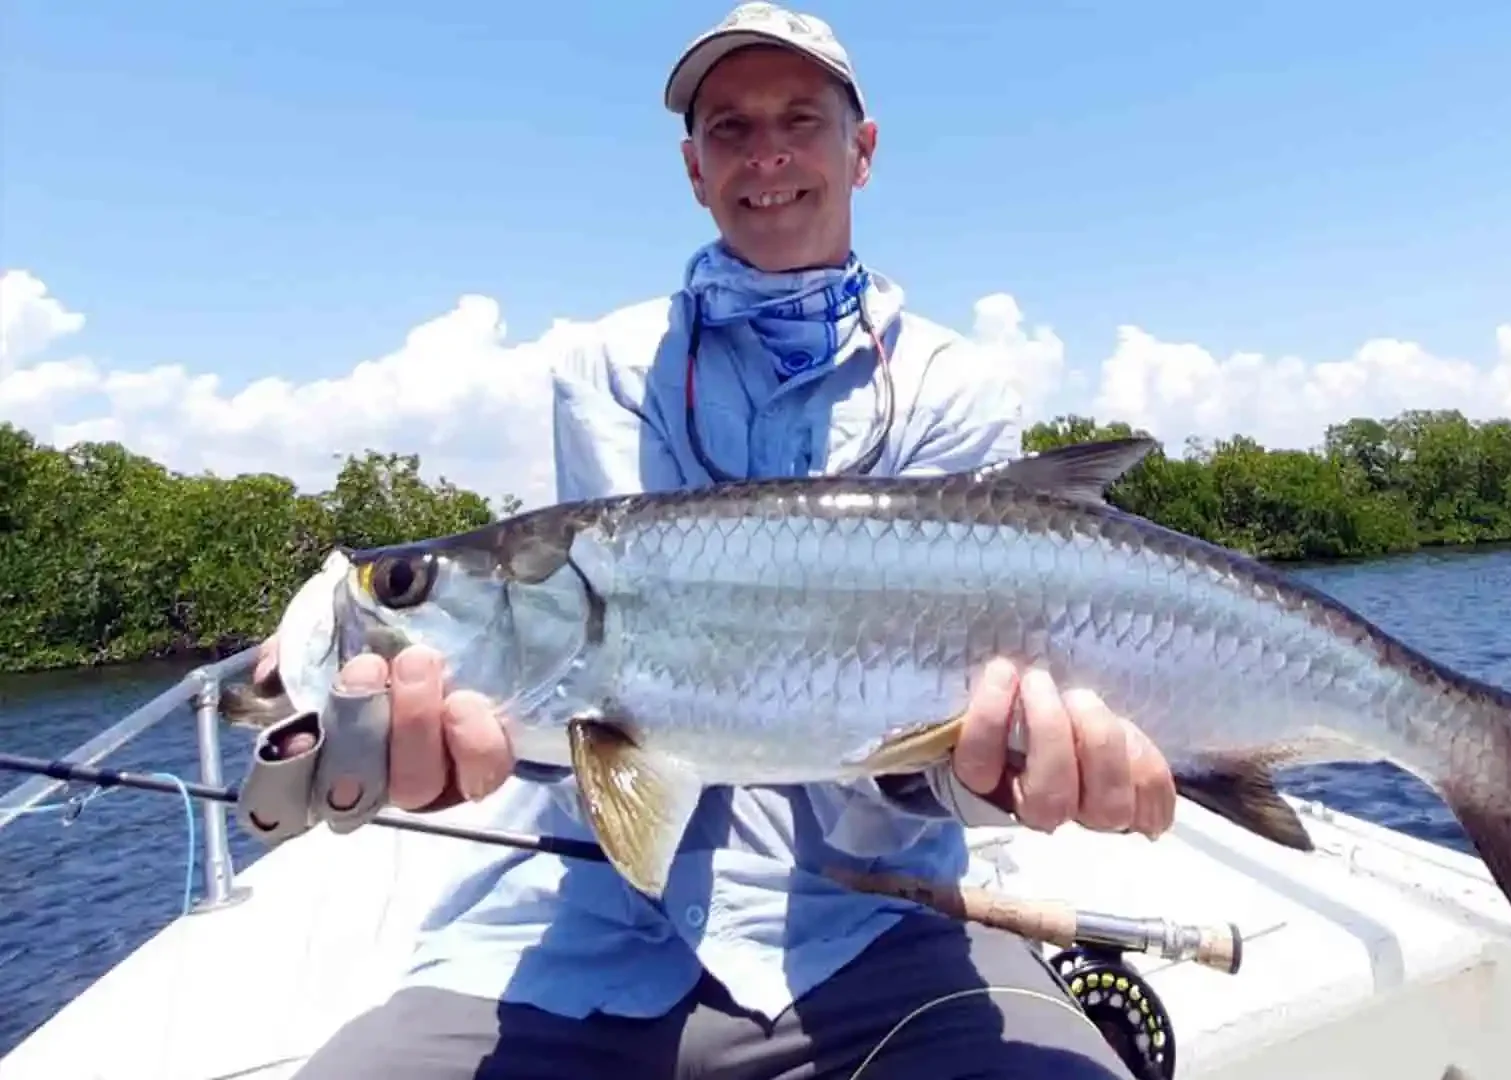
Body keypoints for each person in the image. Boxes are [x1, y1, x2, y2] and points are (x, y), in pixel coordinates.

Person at [257, 5, 1179, 1077]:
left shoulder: (948, 385)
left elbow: (939, 751)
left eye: (800, 119)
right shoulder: (605, 365)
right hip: (575, 935)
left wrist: (998, 772)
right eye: (730, 129)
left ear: (861, 151)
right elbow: (605, 709)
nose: (768, 153)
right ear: (695, 169)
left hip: (875, 926)